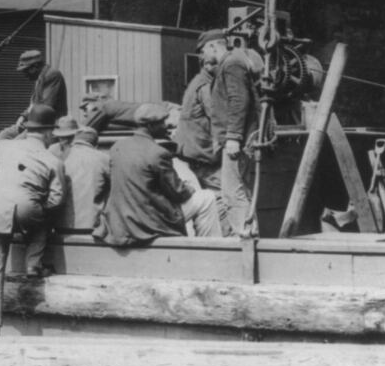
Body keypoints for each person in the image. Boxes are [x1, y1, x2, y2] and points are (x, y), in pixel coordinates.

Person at [0, 104, 65, 337]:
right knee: (42, 222)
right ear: (49, 133)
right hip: (27, 207)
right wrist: (38, 209)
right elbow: (57, 199)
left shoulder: (2, 146)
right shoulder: (53, 160)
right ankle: (33, 264)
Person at [93, 103, 221, 247]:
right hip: (148, 222)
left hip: (121, 222)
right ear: (151, 126)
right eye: (162, 122)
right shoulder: (158, 153)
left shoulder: (117, 147)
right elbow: (179, 193)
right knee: (207, 197)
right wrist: (190, 188)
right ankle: (210, 249)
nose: (166, 126)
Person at [173, 28, 231, 235]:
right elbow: (220, 120)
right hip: (204, 163)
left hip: (193, 158)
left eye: (203, 51)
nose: (201, 56)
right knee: (226, 202)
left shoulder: (200, 81)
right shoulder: (206, 85)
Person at [203, 31, 261, 237]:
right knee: (240, 190)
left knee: (231, 191)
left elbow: (238, 101)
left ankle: (244, 238)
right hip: (240, 138)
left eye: (203, 51)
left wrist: (233, 137)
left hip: (238, 140)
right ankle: (250, 235)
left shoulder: (231, 64)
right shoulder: (232, 63)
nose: (202, 57)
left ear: (212, 47)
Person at [59, 127, 110, 232]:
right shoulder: (103, 158)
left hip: (62, 224)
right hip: (92, 224)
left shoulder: (61, 157)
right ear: (95, 144)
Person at [17, 50, 67, 117]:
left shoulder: (51, 75)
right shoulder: (40, 78)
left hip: (53, 123)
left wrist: (26, 116)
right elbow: (34, 104)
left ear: (35, 66)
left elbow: (45, 107)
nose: (25, 75)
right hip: (41, 121)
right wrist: (23, 117)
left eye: (26, 71)